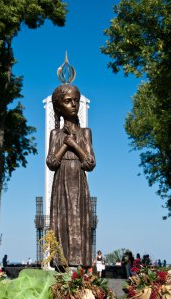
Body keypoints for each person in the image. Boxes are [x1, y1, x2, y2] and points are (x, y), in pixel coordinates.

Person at [46, 84, 96, 268]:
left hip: (79, 182)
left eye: (76, 101)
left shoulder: (85, 133)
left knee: (79, 219)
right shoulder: (55, 134)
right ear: (58, 107)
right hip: (61, 183)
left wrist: (75, 145)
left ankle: (79, 266)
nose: (74, 104)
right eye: (68, 101)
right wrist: (65, 145)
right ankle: (61, 262)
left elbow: (90, 163)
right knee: (62, 220)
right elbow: (51, 162)